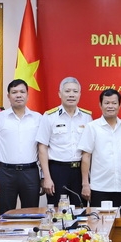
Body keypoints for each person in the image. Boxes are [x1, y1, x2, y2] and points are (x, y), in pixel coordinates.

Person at [0, 79, 42, 215]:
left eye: (22, 92)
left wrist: (42, 176)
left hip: (30, 172)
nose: (18, 95)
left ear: (27, 95)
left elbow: (42, 149)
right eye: (14, 92)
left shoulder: (38, 118)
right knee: (5, 214)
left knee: (31, 214)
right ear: (8, 96)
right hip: (6, 173)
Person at [37, 77, 92, 206]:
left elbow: (87, 150)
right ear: (60, 94)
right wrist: (46, 177)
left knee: (80, 210)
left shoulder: (86, 117)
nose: (71, 95)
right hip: (57, 170)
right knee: (56, 210)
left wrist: (86, 181)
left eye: (75, 91)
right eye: (67, 91)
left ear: (80, 94)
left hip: (79, 171)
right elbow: (42, 147)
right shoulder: (50, 116)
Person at [79, 89, 121, 208]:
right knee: (98, 219)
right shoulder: (92, 127)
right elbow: (86, 157)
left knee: (120, 219)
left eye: (114, 103)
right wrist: (85, 184)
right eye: (107, 103)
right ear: (100, 105)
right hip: (99, 187)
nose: (110, 106)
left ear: (119, 105)